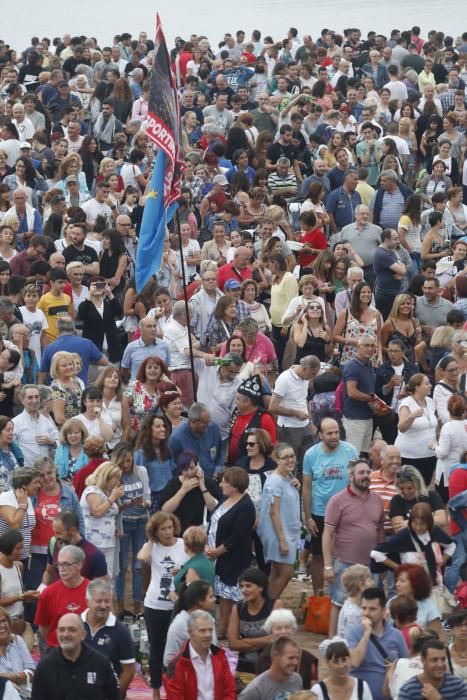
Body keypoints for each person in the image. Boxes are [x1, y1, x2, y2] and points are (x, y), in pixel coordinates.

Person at [323, 459, 385, 636]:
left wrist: (381, 561)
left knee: (372, 605)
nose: (366, 476)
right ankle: (333, 642)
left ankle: (370, 642)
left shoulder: (377, 500)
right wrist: (328, 566)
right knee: (339, 603)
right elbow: (327, 534)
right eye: (361, 473)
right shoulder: (337, 500)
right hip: (344, 563)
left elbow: (380, 530)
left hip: (371, 564)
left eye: (368, 472)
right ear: (351, 476)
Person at [302, 418, 358, 594]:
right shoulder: (311, 455)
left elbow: (357, 481)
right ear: (320, 435)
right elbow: (307, 487)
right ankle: (318, 595)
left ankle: (345, 593)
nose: (334, 436)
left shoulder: (350, 451)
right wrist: (308, 517)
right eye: (329, 433)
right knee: (318, 556)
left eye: (336, 432)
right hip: (320, 512)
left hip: (346, 511)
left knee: (346, 554)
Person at [138, 512, 187, 700]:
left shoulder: (183, 545)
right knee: (156, 650)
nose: (168, 532)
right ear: (155, 532)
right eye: (163, 529)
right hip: (155, 605)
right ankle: (156, 691)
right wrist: (151, 541)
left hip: (177, 606)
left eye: (170, 527)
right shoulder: (152, 547)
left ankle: (177, 687)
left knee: (179, 648)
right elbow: (142, 558)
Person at [206, 467, 256, 639]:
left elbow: (238, 536)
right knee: (224, 595)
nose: (221, 484)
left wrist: (217, 552)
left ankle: (232, 629)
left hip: (233, 558)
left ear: (234, 485)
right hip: (217, 557)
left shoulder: (246, 506)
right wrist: (208, 546)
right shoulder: (225, 500)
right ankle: (223, 627)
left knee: (233, 596)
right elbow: (213, 524)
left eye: (224, 481)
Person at [31, 612, 120, 700]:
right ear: (57, 633)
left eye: (72, 630)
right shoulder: (45, 666)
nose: (66, 634)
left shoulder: (101, 663)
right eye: (62, 630)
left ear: (83, 635)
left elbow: (114, 696)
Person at [346, 587, 408, 700]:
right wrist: (366, 633)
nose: (366, 613)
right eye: (364, 608)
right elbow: (355, 661)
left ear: (383, 611)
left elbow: (405, 665)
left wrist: (395, 667)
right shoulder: (353, 633)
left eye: (372, 609)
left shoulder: (396, 635)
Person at [257, 443, 301, 598]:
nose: (290, 460)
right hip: (278, 533)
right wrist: (282, 540)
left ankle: (265, 604)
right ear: (277, 459)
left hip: (287, 531)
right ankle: (268, 606)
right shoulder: (274, 481)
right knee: (286, 573)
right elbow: (273, 512)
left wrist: (296, 484)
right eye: (285, 457)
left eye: (292, 456)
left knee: (276, 572)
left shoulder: (287, 477)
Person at [163, 609, 236, 700]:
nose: (208, 635)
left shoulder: (220, 656)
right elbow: (175, 696)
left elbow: (229, 690)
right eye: (202, 631)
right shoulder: (177, 664)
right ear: (190, 633)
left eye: (210, 630)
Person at [111, 443, 150, 616]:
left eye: (129, 461)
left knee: (138, 565)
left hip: (141, 520)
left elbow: (148, 495)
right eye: (123, 462)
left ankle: (137, 606)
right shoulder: (113, 476)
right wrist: (125, 504)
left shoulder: (141, 471)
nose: (127, 465)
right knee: (121, 567)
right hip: (124, 522)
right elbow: (112, 504)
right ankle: (120, 606)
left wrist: (144, 503)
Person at [82, 579, 135, 697]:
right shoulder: (76, 625)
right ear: (87, 602)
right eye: (99, 601)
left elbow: (129, 671)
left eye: (107, 601)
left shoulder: (121, 631)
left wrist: (114, 695)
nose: (104, 606)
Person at [228, 567, 282, 673]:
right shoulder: (237, 609)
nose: (244, 590)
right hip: (244, 667)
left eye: (248, 586)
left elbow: (277, 640)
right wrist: (265, 640)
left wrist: (243, 642)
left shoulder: (274, 605)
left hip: (269, 667)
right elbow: (233, 644)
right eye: (242, 586)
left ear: (261, 587)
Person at [34, 545, 88, 649]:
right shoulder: (48, 593)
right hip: (56, 651)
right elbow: (43, 627)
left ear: (79, 565)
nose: (62, 569)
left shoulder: (92, 591)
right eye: (59, 565)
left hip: (85, 652)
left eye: (67, 564)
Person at [269, 356, 320, 466]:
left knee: (307, 460)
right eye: (312, 374)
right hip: (289, 428)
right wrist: (295, 413)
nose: (313, 377)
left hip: (305, 426)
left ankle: (303, 481)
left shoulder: (304, 378)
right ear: (305, 368)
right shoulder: (285, 379)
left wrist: (311, 421)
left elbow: (303, 399)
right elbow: (272, 407)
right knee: (289, 462)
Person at [79, 461, 123, 578]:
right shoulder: (92, 491)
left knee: (108, 578)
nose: (118, 482)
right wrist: (113, 498)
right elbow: (97, 512)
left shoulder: (105, 492)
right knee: (96, 579)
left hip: (108, 542)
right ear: (107, 477)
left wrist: (114, 527)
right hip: (94, 543)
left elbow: (107, 515)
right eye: (116, 478)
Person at [160, 453, 221, 535]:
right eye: (185, 469)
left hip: (200, 531)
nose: (189, 472)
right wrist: (182, 490)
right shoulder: (173, 484)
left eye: (192, 468)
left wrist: (203, 487)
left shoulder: (208, 483)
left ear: (198, 466)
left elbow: (214, 509)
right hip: (178, 532)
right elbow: (165, 510)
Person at [42, 510, 107, 585]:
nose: (56, 537)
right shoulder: (53, 544)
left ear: (72, 530)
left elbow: (101, 587)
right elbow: (49, 572)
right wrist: (43, 590)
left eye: (59, 533)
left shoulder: (94, 554)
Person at [395, 373, 438, 485]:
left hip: (429, 455)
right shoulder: (407, 403)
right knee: (411, 487)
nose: (430, 385)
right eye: (427, 383)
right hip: (410, 457)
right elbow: (401, 427)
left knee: (425, 487)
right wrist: (412, 416)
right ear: (417, 387)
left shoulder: (430, 401)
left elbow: (433, 424)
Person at [39, 317, 108, 386]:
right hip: (80, 389)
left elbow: (43, 376)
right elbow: (105, 362)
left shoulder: (49, 348)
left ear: (58, 329)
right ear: (73, 328)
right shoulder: (87, 343)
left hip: (56, 389)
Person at [163, 579, 217, 667]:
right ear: (200, 601)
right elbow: (168, 660)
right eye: (211, 597)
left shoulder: (208, 618)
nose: (215, 599)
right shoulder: (179, 625)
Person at [341, 334, 378, 455]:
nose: (370, 348)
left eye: (372, 346)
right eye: (366, 345)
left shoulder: (369, 364)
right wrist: (371, 399)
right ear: (358, 346)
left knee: (363, 454)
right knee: (352, 456)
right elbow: (352, 392)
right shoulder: (352, 366)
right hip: (355, 419)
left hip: (367, 417)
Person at [398, 638, 467, 699]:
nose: (440, 664)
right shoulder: (408, 690)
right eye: (434, 660)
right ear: (423, 660)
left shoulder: (458, 686)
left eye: (443, 659)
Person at [169, 404, 223, 479]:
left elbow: (220, 453)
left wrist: (217, 470)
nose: (208, 426)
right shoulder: (176, 438)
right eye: (205, 423)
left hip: (213, 479)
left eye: (209, 421)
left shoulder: (213, 428)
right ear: (193, 421)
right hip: (191, 482)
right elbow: (175, 467)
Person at [238, 636, 303, 699]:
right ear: (276, 655)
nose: (295, 662)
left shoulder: (297, 680)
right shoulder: (256, 688)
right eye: (291, 658)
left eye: (297, 658)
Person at [134, 415, 174, 514]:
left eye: (163, 426)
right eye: (158, 426)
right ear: (148, 430)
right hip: (152, 499)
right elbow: (138, 480)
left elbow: (172, 472)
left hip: (170, 495)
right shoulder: (140, 454)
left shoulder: (167, 450)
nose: (163, 429)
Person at [120, 317, 171, 383]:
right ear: (141, 329)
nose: (153, 329)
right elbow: (124, 370)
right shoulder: (131, 347)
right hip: (137, 389)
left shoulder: (164, 346)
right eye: (149, 326)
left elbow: (166, 368)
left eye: (154, 326)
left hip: (157, 388)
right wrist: (135, 381)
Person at [0, 604, 34, 698]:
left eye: (4, 621)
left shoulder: (17, 640)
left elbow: (32, 670)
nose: (2, 625)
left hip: (28, 694)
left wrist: (14, 677)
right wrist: (7, 684)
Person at [373, 228, 407, 320]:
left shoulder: (391, 251)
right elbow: (402, 270)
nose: (398, 241)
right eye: (395, 239)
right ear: (387, 240)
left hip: (394, 292)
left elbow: (402, 267)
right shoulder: (382, 254)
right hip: (386, 294)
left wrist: (401, 271)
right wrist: (402, 271)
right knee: (387, 320)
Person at [173, 527, 215, 595]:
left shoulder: (193, 568)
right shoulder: (204, 561)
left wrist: (173, 595)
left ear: (187, 546)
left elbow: (189, 596)